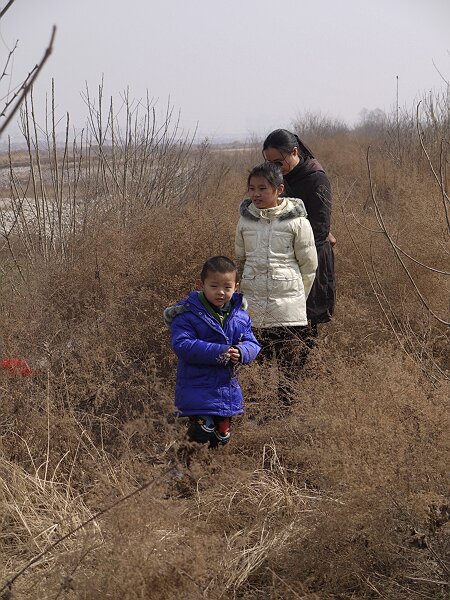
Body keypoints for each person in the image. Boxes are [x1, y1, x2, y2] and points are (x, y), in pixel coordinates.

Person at [235, 162, 318, 405]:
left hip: (288, 312)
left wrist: (296, 300)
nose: (256, 194)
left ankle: (285, 418)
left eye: (263, 188)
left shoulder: (298, 222)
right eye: (251, 189)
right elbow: (239, 262)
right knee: (254, 367)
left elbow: (309, 266)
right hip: (253, 310)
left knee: (287, 370)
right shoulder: (245, 221)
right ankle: (256, 411)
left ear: (279, 189)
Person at [163, 256, 261, 447]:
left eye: (227, 287)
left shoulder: (240, 316)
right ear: (201, 284)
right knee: (202, 429)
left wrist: (241, 352)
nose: (221, 292)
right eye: (214, 286)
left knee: (221, 436)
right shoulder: (187, 314)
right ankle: (180, 466)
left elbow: (253, 343)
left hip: (226, 388)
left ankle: (209, 471)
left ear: (237, 286)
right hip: (197, 385)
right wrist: (222, 351)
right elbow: (182, 345)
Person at [262, 129, 336, 332]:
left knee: (305, 325)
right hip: (281, 261)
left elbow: (320, 230)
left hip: (309, 260)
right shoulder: (279, 179)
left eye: (279, 162)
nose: (275, 168)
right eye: (270, 163)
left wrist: (284, 242)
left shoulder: (316, 179)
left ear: (294, 152)